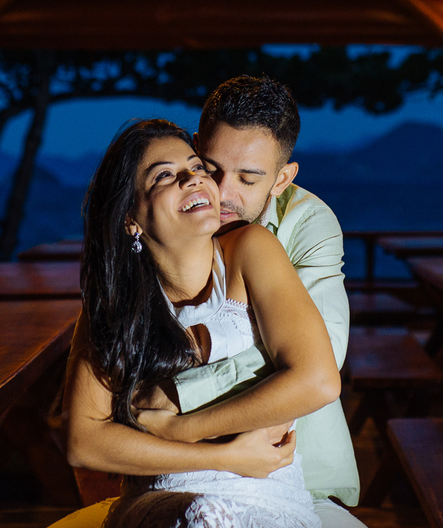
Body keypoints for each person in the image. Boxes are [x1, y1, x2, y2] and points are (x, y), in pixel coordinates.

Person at [64, 119, 341, 528]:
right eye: (165, 175)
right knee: (203, 517)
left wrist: (180, 427)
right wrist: (223, 456)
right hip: (163, 493)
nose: (194, 180)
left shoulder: (251, 250)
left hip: (267, 490)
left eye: (196, 168)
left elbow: (318, 380)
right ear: (130, 218)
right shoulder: (115, 299)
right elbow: (84, 442)